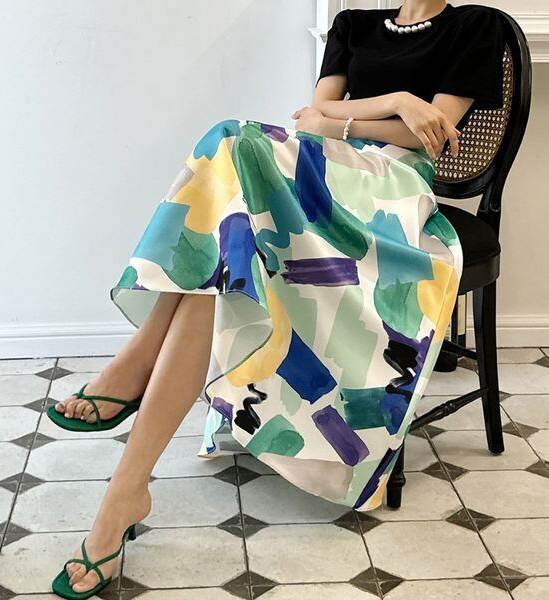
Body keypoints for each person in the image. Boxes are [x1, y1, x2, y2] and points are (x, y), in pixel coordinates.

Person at [49, 1, 505, 597]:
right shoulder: (354, 24)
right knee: (228, 229)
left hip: (391, 194)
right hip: (323, 170)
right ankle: (124, 494)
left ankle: (137, 366)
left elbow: (427, 133)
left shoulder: (476, 25)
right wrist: (397, 101)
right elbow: (310, 114)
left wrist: (349, 120)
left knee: (232, 145)